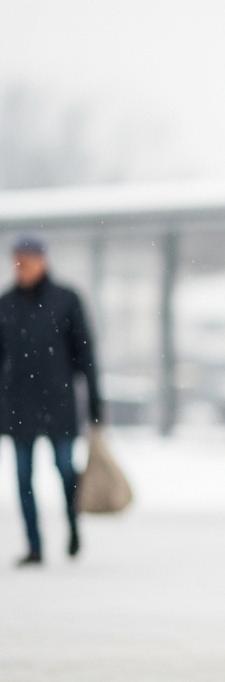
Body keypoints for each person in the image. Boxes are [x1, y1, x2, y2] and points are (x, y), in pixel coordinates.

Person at [0, 236, 102, 565]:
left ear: (42, 260)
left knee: (65, 470)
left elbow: (85, 354)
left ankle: (73, 526)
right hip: (18, 405)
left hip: (58, 402)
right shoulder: (6, 304)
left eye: (27, 260)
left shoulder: (65, 300)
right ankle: (34, 546)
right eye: (17, 261)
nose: (22, 267)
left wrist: (95, 400)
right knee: (23, 478)